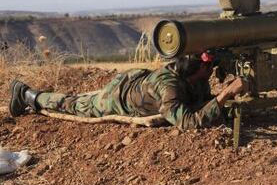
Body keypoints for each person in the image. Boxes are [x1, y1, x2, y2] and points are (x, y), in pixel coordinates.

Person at [9, 53, 249, 130]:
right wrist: (225, 95)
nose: (211, 71)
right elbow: (187, 122)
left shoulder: (193, 74)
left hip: (138, 79)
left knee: (81, 98)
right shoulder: (169, 88)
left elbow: (200, 100)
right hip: (119, 98)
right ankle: (29, 95)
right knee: (79, 105)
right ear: (196, 70)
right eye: (208, 68)